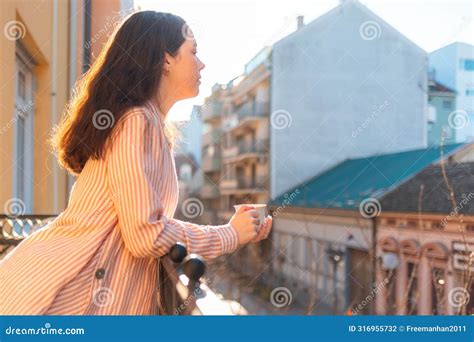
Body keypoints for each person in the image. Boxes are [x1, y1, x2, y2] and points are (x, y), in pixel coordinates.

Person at [0, 11, 272, 315]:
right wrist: (230, 234)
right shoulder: (136, 121)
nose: (202, 63)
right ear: (165, 59)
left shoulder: (150, 124)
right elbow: (146, 234)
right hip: (57, 301)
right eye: (193, 52)